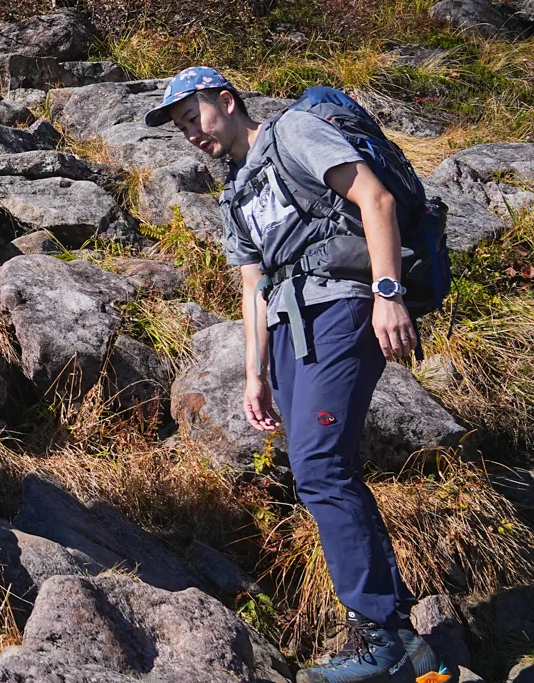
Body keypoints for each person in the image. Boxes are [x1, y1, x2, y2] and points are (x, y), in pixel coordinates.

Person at [147, 67, 444, 683]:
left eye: (192, 118)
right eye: (179, 128)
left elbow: (375, 199)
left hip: (341, 305)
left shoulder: (294, 134)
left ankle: (387, 637)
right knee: (316, 468)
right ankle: (387, 629)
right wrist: (254, 374)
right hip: (287, 331)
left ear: (226, 102)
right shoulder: (234, 193)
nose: (189, 134)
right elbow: (252, 287)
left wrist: (386, 292)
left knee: (320, 464)